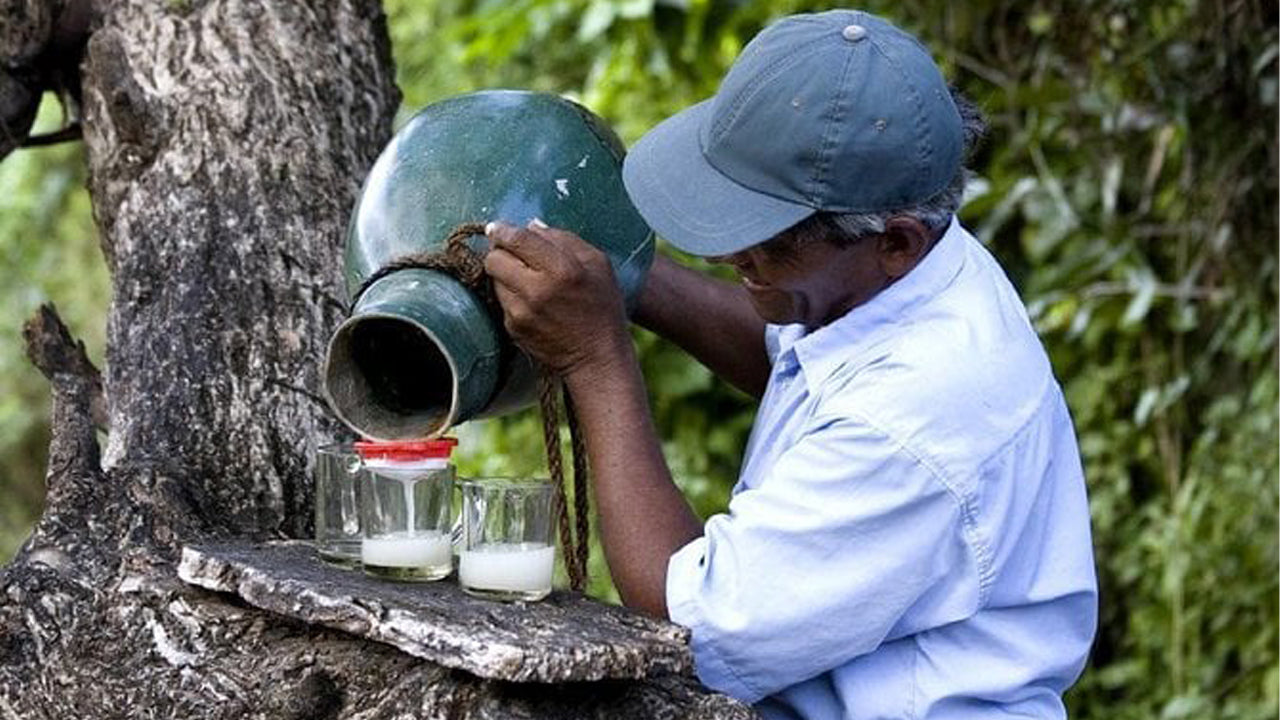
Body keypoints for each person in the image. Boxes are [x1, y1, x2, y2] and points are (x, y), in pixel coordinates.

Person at [483, 9, 1097, 719]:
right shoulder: (909, 267)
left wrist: (595, 355)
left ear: (894, 241)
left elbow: (689, 628)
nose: (724, 256)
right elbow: (785, 347)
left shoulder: (919, 410)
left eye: (763, 241)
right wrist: (621, 280)